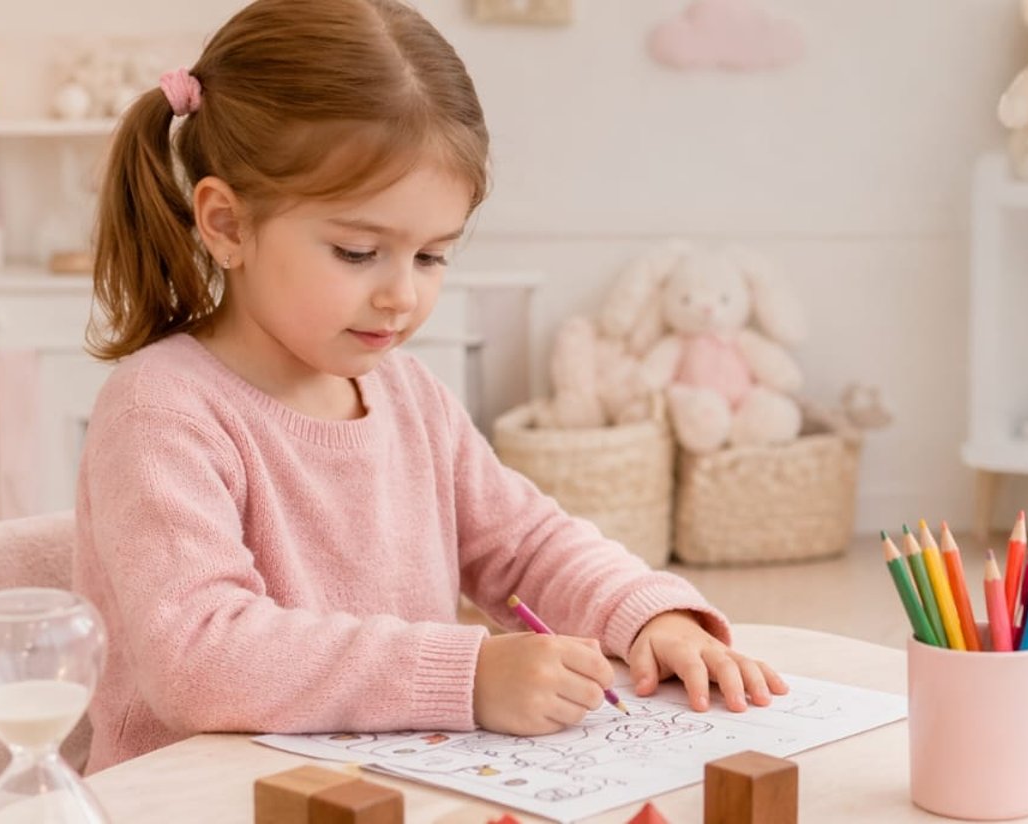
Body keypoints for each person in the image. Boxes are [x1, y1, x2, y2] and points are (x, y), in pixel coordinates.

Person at [72, 0, 784, 773]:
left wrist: (647, 617)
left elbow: (527, 547)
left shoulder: (408, 393)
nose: (401, 297)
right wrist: (467, 674)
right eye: (357, 251)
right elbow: (199, 657)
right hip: (201, 800)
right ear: (228, 224)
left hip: (384, 785)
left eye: (432, 257)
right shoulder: (161, 411)